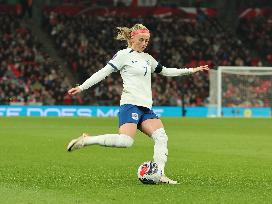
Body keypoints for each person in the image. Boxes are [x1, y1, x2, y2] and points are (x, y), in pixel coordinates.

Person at [67, 24, 209, 184]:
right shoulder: (123, 55)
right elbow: (103, 73)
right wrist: (81, 87)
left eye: (147, 41)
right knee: (126, 142)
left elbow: (166, 71)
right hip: (130, 105)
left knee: (161, 138)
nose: (144, 43)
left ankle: (159, 174)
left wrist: (191, 70)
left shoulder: (148, 58)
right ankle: (87, 140)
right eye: (141, 39)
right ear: (132, 38)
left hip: (146, 108)